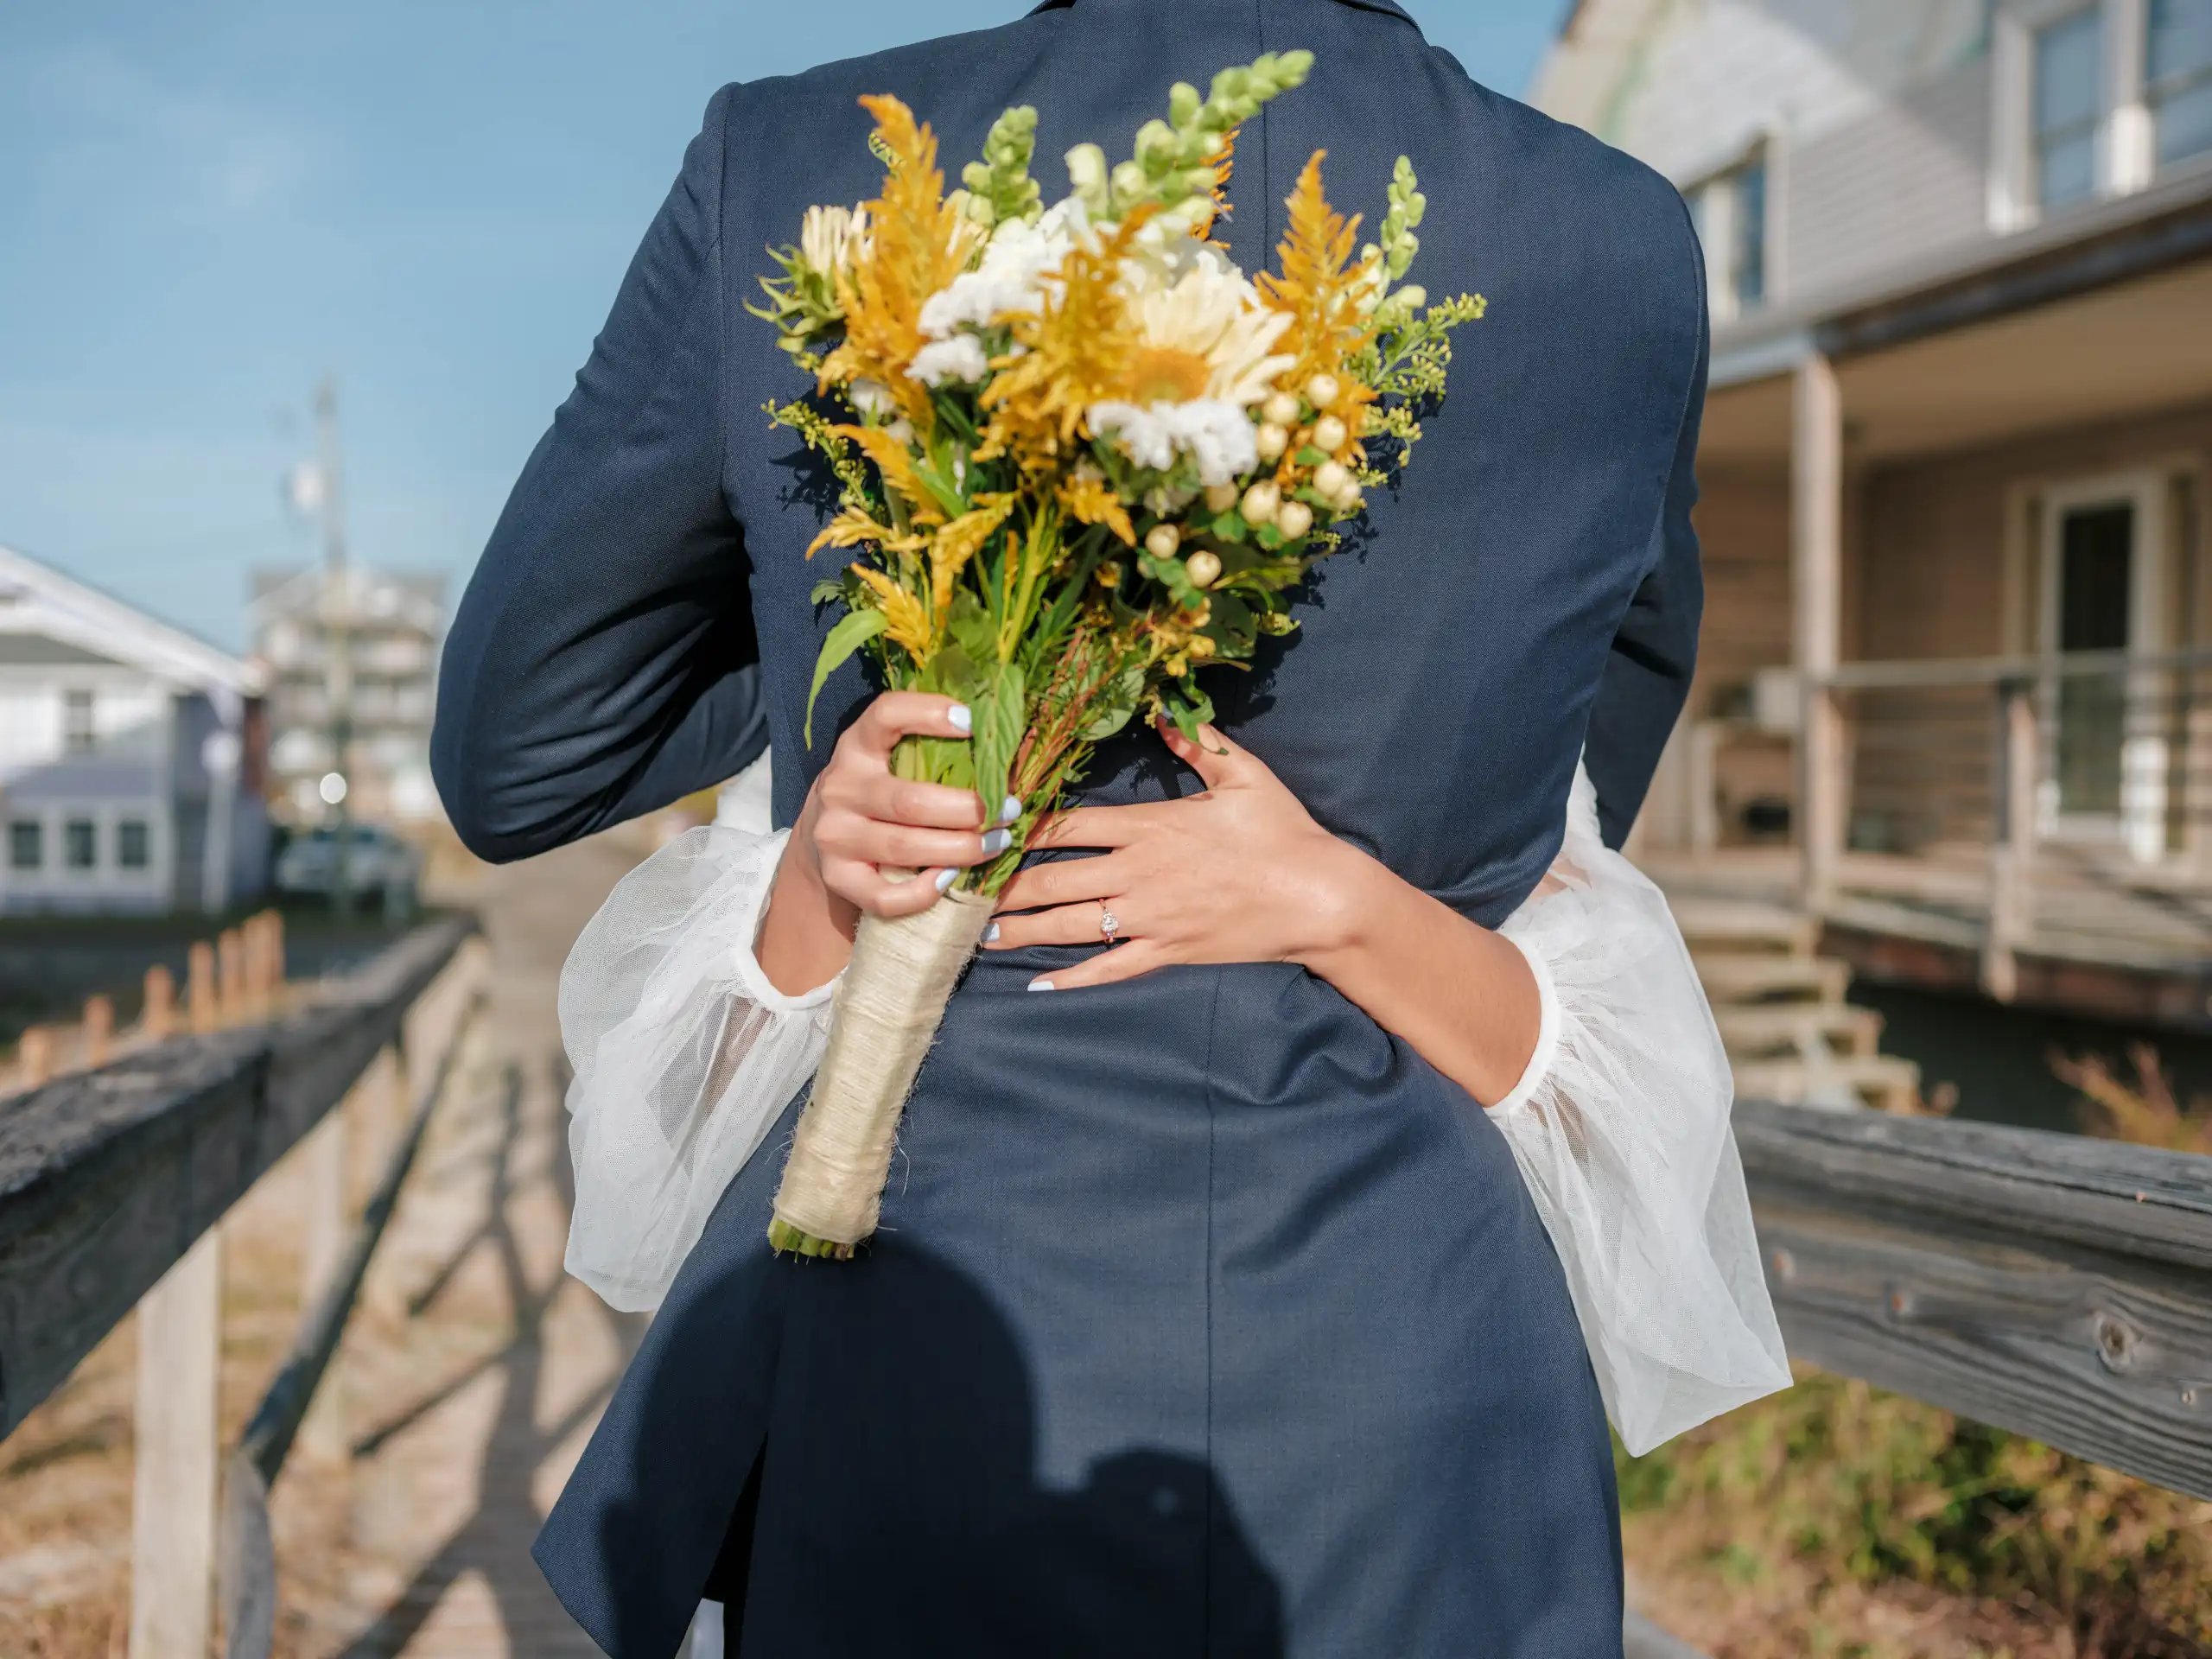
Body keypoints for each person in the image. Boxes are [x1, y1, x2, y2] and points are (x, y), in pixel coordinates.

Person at [432, 0, 1791, 1653]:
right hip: (1413, 1382)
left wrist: (828, 647)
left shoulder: (799, 162)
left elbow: (529, 754)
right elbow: (1598, 752)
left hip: (928, 1359)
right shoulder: (1620, 230)